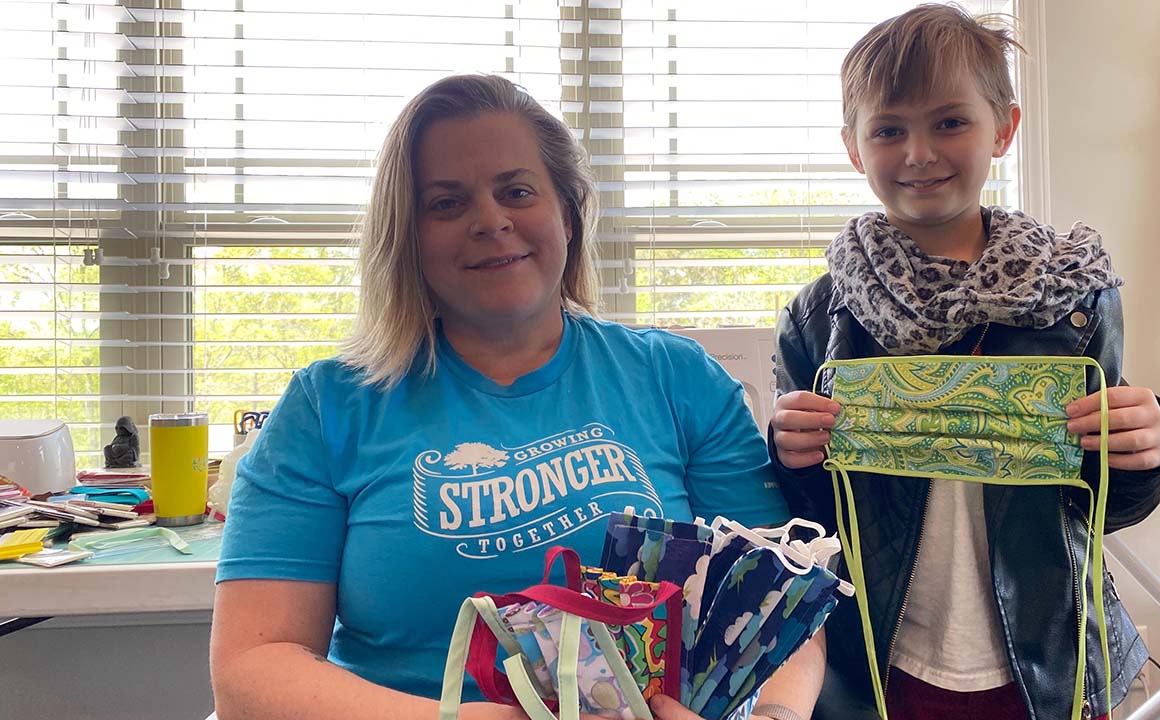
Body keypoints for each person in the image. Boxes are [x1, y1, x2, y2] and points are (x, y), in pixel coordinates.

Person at [209, 74, 823, 720]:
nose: (490, 221)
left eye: (517, 191)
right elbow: (252, 671)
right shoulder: (326, 406)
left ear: (568, 210)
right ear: (408, 236)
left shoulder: (680, 380)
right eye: (446, 204)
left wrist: (775, 717)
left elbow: (782, 611)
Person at [767, 6, 1160, 720]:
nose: (919, 152)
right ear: (852, 147)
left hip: (1047, 658)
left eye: (949, 122)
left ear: (1004, 128)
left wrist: (1147, 449)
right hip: (874, 659)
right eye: (889, 129)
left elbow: (1096, 502)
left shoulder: (1072, 295)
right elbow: (807, 527)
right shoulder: (819, 316)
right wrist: (788, 455)